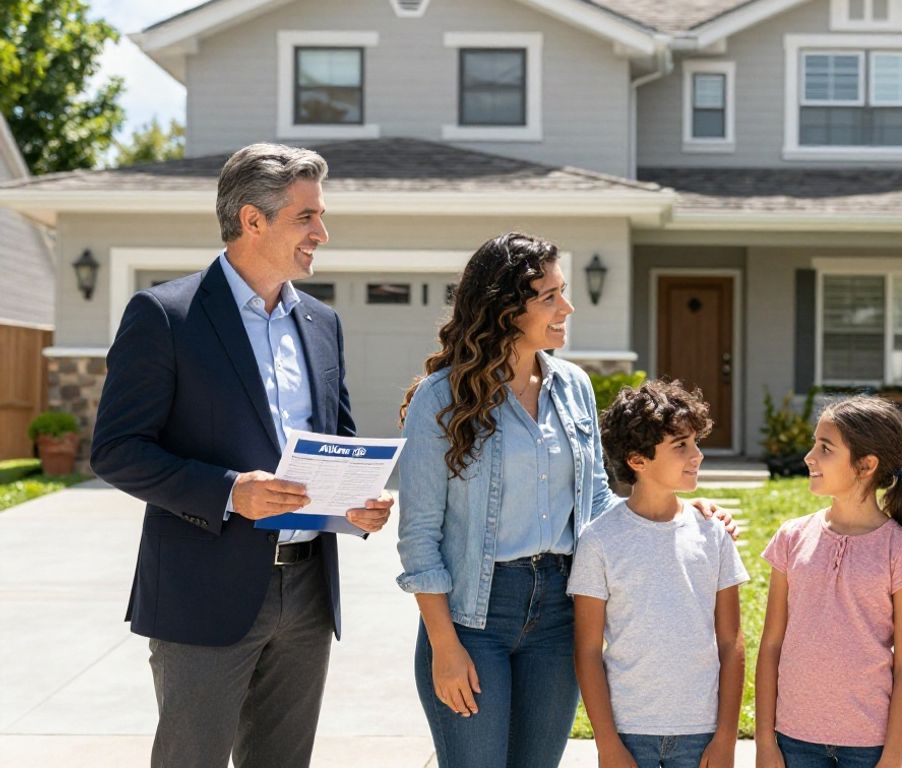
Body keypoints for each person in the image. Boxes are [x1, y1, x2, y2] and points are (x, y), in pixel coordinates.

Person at [89, 143, 394, 768]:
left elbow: (337, 435)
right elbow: (117, 451)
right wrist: (231, 491)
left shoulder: (322, 323)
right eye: (306, 217)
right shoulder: (166, 316)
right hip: (202, 590)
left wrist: (358, 501)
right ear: (252, 219)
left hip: (309, 589)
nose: (322, 233)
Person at [395, 232, 734, 768]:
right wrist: (444, 644)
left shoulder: (573, 386)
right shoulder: (442, 398)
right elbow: (418, 537)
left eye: (564, 291)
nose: (566, 307)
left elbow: (596, 500)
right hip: (472, 617)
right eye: (549, 296)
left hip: (558, 611)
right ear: (505, 308)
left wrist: (676, 508)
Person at [568, 380, 748, 768]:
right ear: (638, 460)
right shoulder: (599, 540)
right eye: (680, 445)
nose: (697, 454)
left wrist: (726, 739)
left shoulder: (712, 533)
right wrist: (607, 744)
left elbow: (731, 642)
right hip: (629, 733)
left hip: (701, 733)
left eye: (696, 442)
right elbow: (587, 650)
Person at [755, 395, 902, 768]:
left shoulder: (901, 551)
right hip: (793, 740)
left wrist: (891, 760)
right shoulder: (791, 537)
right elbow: (771, 644)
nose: (809, 456)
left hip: (867, 747)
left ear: (866, 465)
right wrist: (764, 742)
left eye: (825, 448)